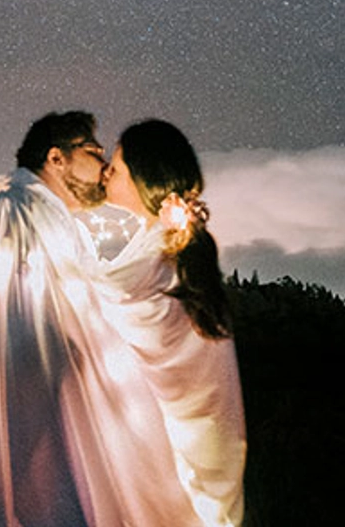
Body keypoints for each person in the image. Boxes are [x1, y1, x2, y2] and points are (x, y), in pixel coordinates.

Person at [0, 110, 202, 527]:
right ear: (56, 158)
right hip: (33, 424)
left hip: (59, 414)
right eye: (93, 151)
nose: (104, 166)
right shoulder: (12, 211)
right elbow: (21, 328)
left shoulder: (52, 219)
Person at [100, 119, 247, 527]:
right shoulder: (168, 247)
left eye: (117, 163)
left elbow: (90, 300)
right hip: (201, 455)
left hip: (169, 457)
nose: (106, 170)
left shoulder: (158, 255)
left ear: (145, 176)